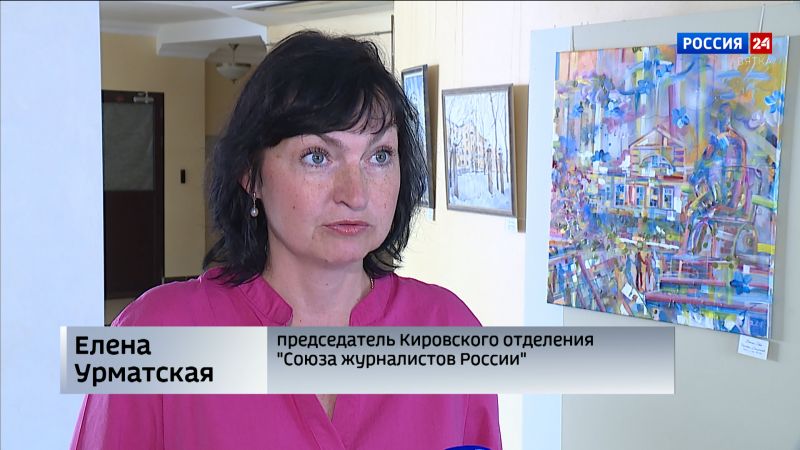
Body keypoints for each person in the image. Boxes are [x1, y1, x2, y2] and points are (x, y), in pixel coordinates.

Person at [70, 31, 502, 450]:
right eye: (317, 156)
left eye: (379, 156)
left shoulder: (450, 329)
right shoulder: (155, 335)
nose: (356, 194)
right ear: (250, 174)